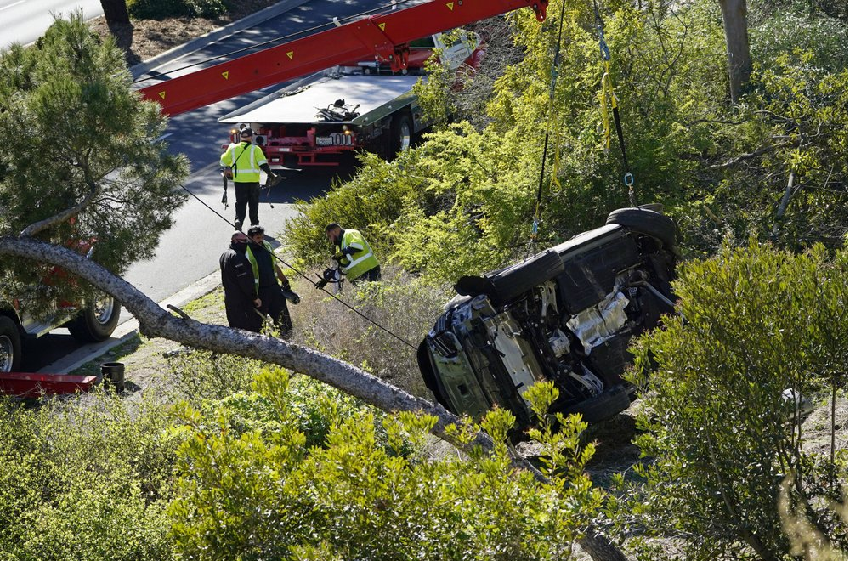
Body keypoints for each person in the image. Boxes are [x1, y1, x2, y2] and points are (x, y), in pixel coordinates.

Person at [245, 225, 298, 336]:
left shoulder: (267, 246)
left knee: (284, 319)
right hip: (259, 292)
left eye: (262, 237)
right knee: (259, 323)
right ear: (250, 238)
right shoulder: (246, 251)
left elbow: (275, 265)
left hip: (274, 288)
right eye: (257, 238)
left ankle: (288, 340)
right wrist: (252, 295)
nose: (260, 240)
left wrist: (284, 282)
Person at [219, 126, 275, 230]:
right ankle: (254, 225)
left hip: (239, 182)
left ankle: (238, 221)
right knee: (253, 203)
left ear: (241, 137)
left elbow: (223, 162)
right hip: (253, 182)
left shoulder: (232, 148)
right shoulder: (255, 149)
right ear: (251, 137)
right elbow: (263, 164)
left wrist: (229, 164)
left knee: (240, 203)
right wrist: (270, 174)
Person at [219, 230, 263, 332]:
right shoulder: (237, 257)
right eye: (243, 241)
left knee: (236, 329)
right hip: (241, 300)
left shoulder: (224, 255)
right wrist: (254, 297)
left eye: (246, 241)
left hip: (230, 299)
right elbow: (245, 281)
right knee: (249, 330)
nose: (245, 244)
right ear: (235, 241)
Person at [317, 223, 381, 288]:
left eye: (330, 236)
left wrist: (342, 253)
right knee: (368, 297)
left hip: (369, 271)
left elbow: (358, 246)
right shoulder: (339, 247)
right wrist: (325, 280)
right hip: (357, 277)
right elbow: (339, 266)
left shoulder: (350, 233)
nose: (330, 240)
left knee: (375, 295)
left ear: (334, 231)